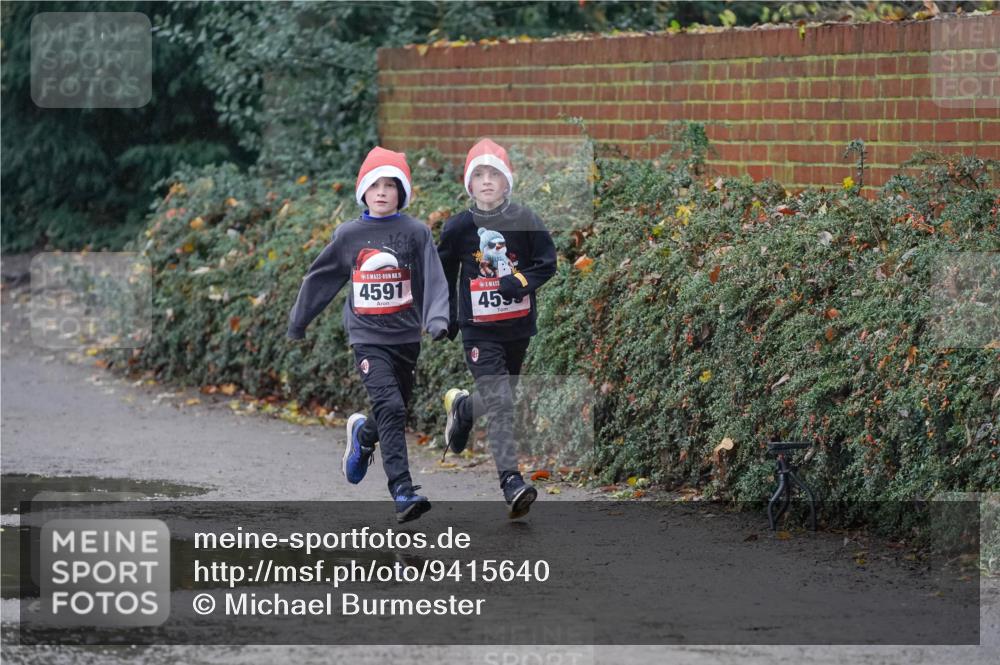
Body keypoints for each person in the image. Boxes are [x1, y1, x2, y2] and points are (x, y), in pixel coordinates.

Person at [287, 146, 449, 523]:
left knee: (394, 409)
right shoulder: (349, 235)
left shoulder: (415, 232)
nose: (381, 192)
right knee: (391, 407)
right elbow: (321, 277)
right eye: (374, 184)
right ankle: (403, 491)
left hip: (406, 338)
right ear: (362, 190)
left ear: (401, 192)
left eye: (390, 185)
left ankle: (362, 437)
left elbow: (433, 279)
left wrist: (438, 318)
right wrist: (299, 320)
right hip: (367, 338)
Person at [437, 138, 557, 519]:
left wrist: (518, 282)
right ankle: (511, 481)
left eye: (494, 175)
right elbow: (442, 275)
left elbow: (547, 263)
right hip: (479, 330)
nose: (487, 182)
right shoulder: (458, 229)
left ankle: (464, 407)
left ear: (506, 183)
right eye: (479, 175)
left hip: (517, 327)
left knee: (500, 396)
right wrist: (444, 317)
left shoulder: (526, 220)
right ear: (469, 184)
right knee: (502, 402)